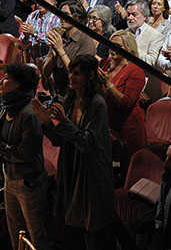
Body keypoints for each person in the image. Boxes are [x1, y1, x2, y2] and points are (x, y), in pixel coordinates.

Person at [32, 55, 116, 250]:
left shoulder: (97, 104)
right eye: (71, 72)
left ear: (90, 77)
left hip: (90, 174)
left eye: (77, 74)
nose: (71, 77)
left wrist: (64, 122)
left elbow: (88, 142)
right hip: (71, 168)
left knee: (91, 231)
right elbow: (59, 140)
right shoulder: (70, 100)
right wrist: (45, 122)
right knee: (73, 230)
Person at [0, 63, 50, 250]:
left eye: (7, 78)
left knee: (35, 237)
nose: (1, 82)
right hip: (11, 178)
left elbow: (25, 153)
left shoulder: (29, 114)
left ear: (19, 85)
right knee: (16, 234)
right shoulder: (7, 108)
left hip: (28, 183)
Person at [98, 30, 147, 156]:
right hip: (106, 127)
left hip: (126, 131)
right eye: (111, 44)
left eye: (118, 46)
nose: (112, 49)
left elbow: (126, 103)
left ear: (129, 49)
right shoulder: (105, 64)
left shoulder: (136, 71)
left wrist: (108, 84)